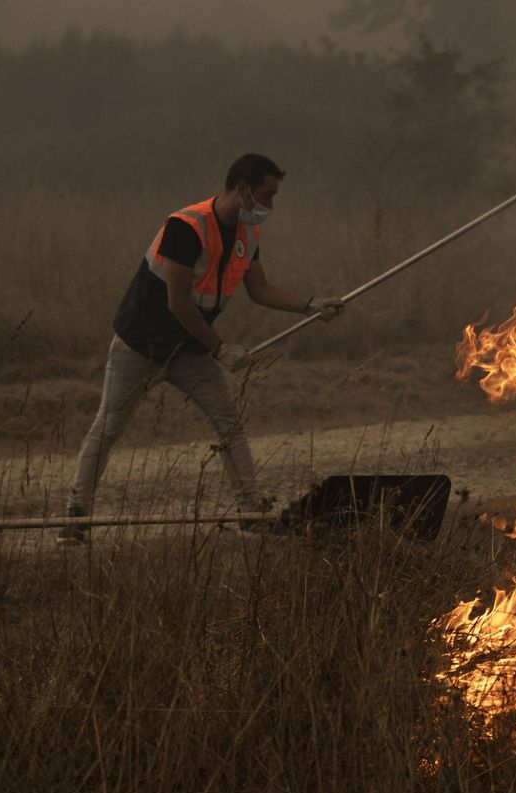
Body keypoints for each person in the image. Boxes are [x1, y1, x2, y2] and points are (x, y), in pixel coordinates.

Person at [59, 153, 346, 543]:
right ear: (242, 189)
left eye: (274, 196)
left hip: (190, 351)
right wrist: (221, 348)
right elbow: (178, 303)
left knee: (229, 423)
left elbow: (259, 289)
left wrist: (310, 306)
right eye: (266, 194)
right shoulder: (186, 226)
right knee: (108, 428)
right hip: (139, 346)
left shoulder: (247, 234)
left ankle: (251, 512)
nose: (270, 205)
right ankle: (75, 519)